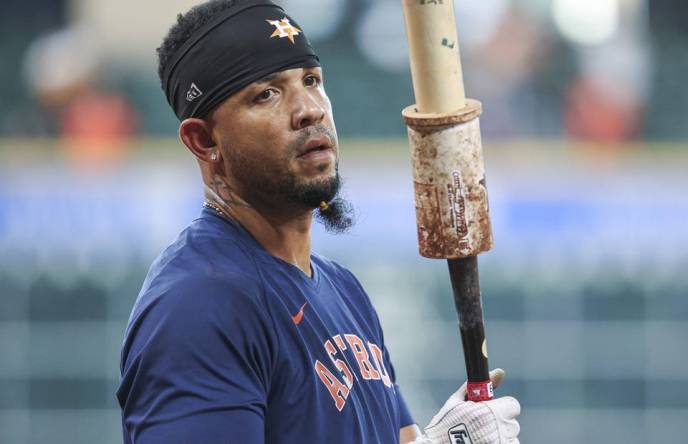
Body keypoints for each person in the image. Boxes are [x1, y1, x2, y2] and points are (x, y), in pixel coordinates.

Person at [115, 1, 521, 443]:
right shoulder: (199, 304)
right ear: (204, 139)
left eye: (311, 81)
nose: (309, 109)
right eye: (266, 94)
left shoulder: (343, 289)